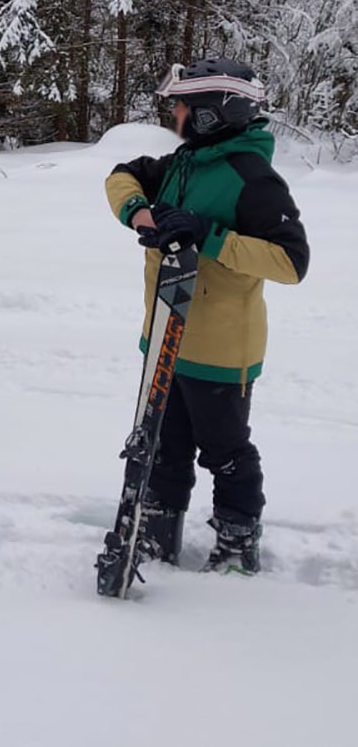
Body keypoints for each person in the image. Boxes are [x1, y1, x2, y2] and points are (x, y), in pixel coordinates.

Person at [105, 57, 309, 574]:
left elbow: (291, 262)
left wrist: (209, 235)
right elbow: (121, 177)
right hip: (165, 339)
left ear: (211, 115)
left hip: (220, 351)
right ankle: (156, 528)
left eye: (181, 107)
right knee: (163, 447)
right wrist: (143, 213)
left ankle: (237, 542)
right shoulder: (183, 164)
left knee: (225, 451)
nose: (173, 115)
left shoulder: (253, 179)